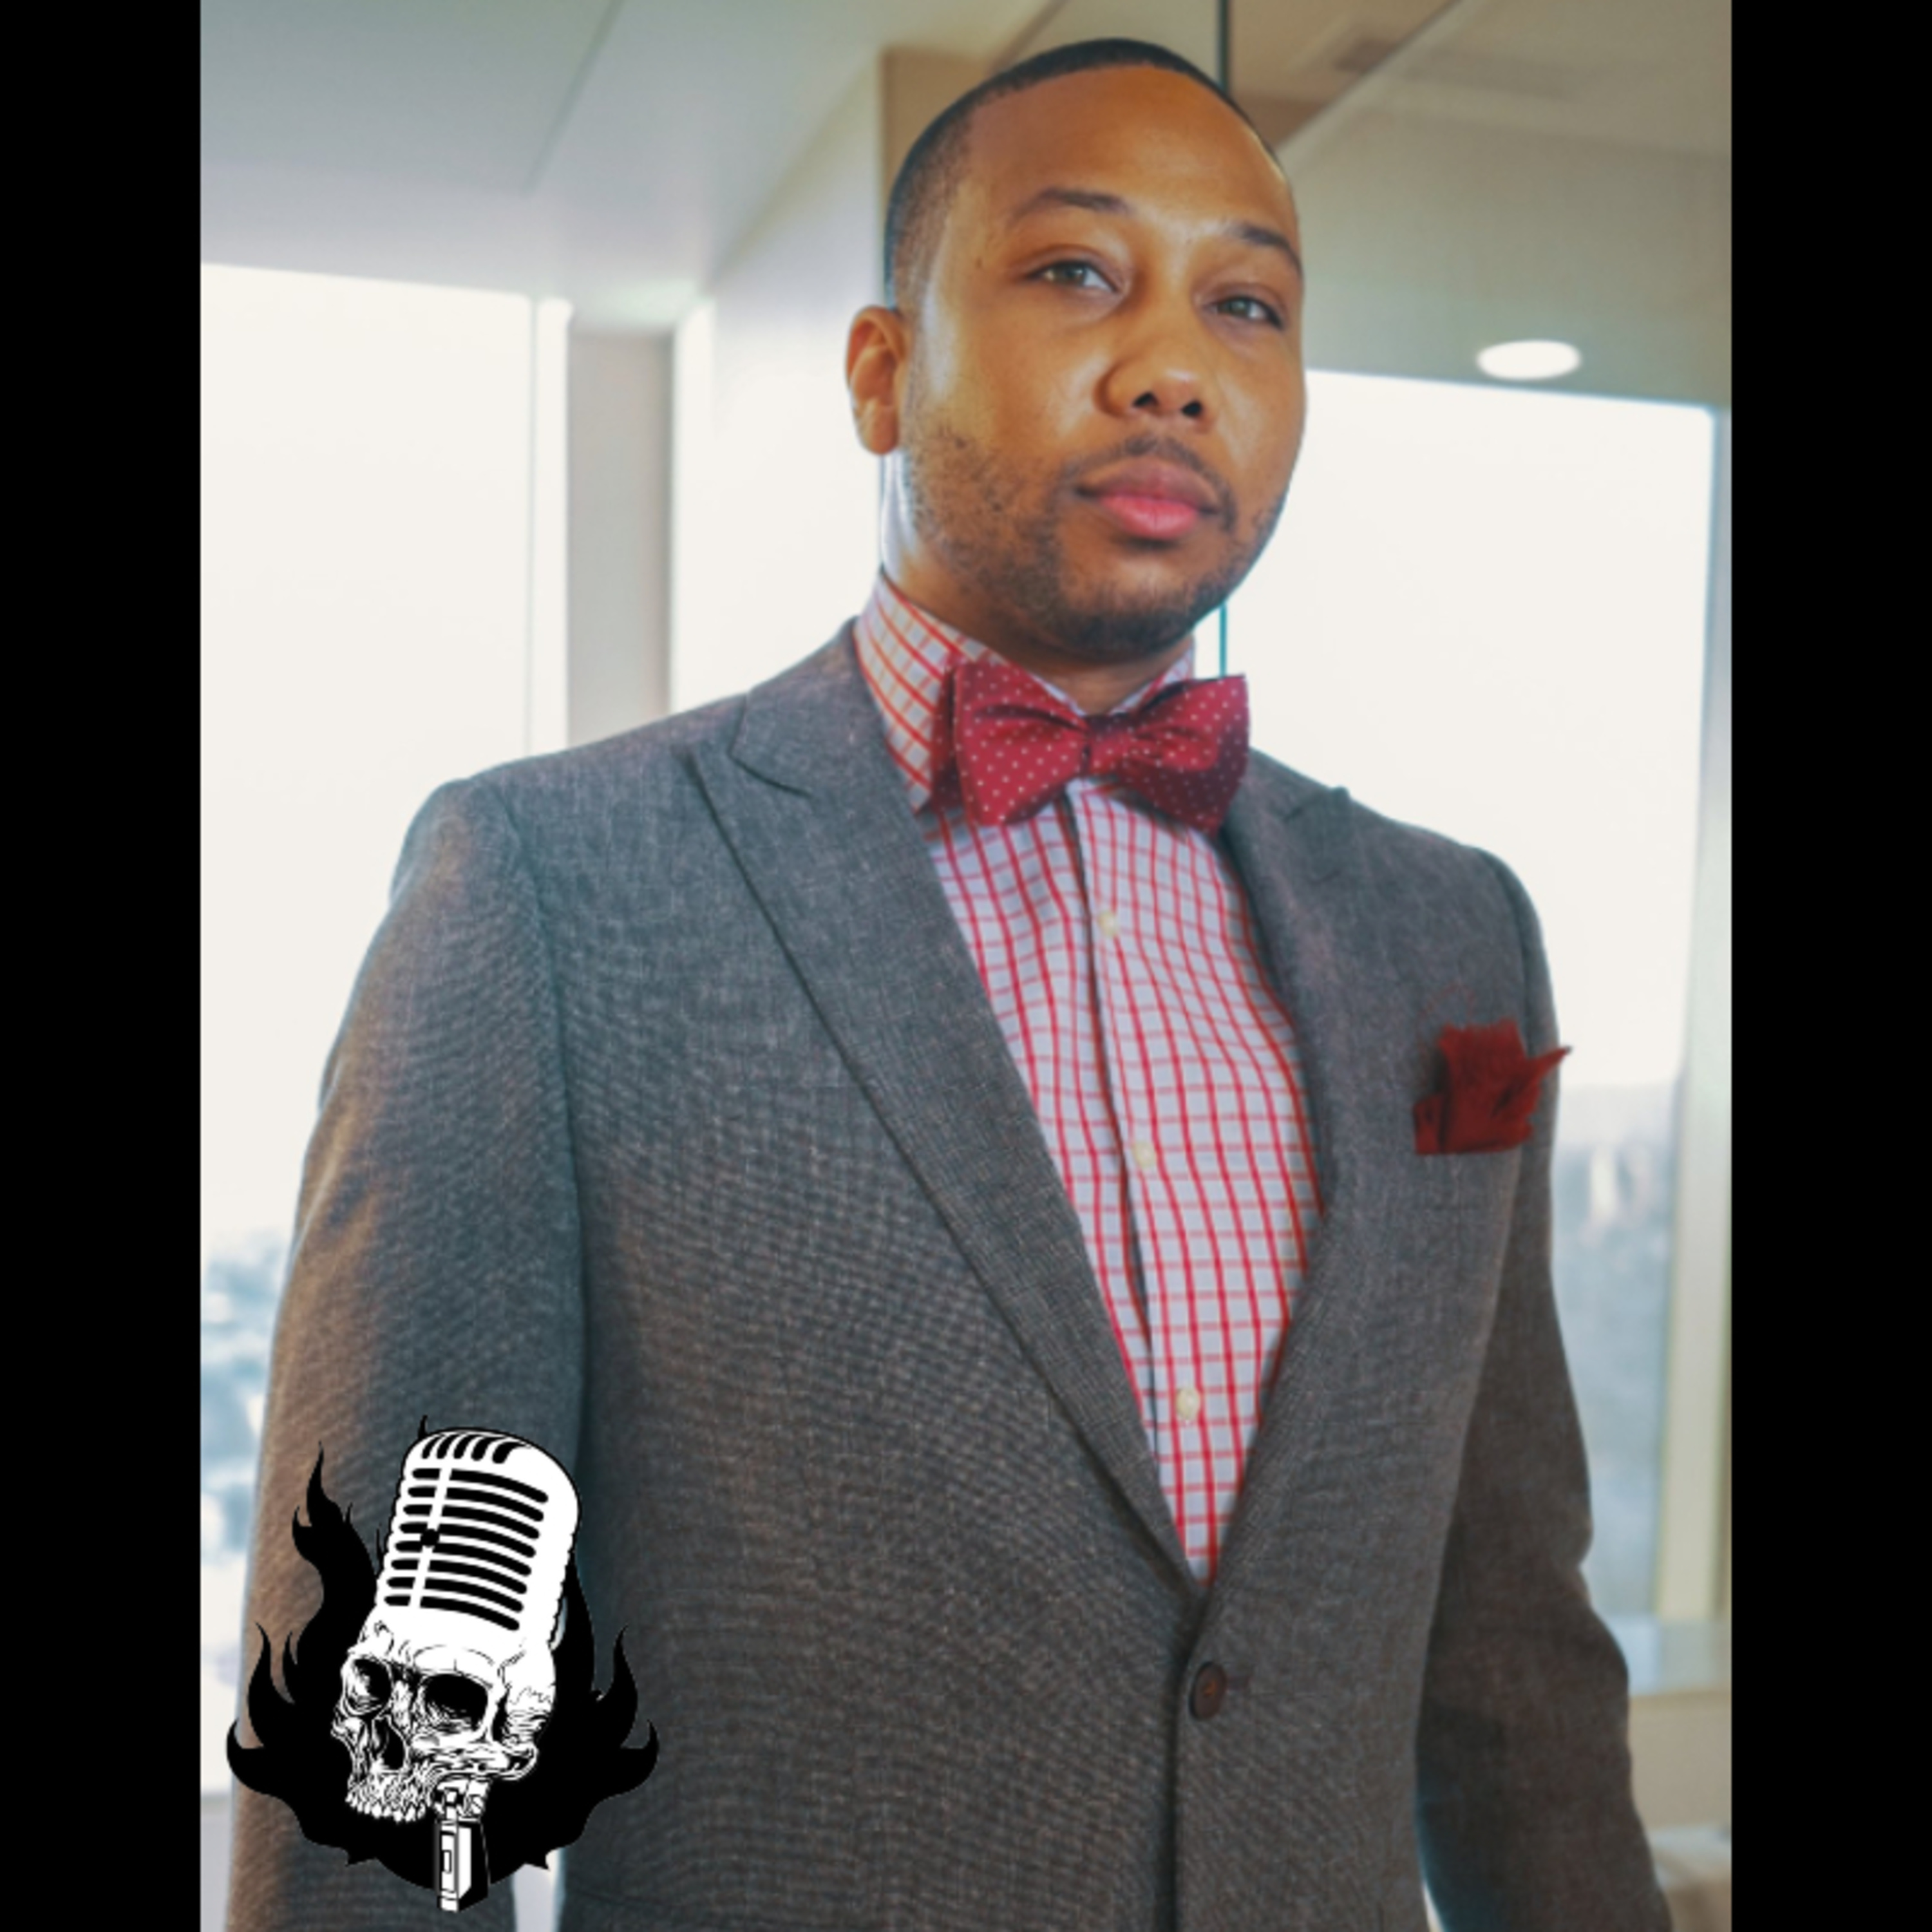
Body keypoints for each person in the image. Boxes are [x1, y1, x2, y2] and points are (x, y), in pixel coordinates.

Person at [230, 37, 1670, 1932]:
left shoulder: (1450, 930)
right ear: (881, 374)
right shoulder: (550, 890)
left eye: (1246, 304)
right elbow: (400, 1755)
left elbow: (1514, 1674)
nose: (1173, 366)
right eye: (1077, 271)